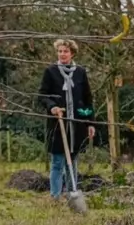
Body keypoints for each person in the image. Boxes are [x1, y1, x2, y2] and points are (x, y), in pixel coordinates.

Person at [37, 39, 96, 200]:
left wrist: (90, 122)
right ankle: (55, 196)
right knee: (57, 161)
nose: (62, 54)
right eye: (60, 51)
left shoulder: (80, 72)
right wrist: (52, 107)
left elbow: (87, 99)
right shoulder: (51, 71)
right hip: (58, 124)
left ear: (72, 54)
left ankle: (72, 194)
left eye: (65, 51)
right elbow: (42, 95)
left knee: (74, 160)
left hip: (76, 125)